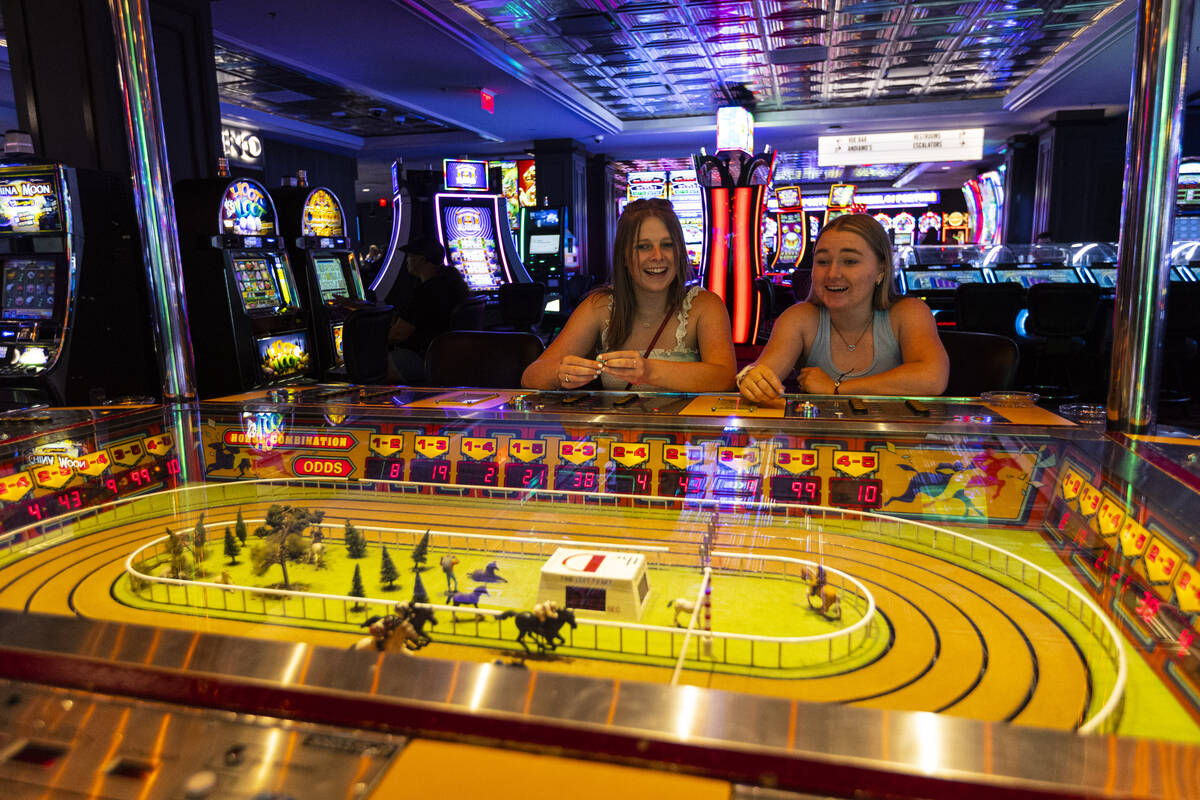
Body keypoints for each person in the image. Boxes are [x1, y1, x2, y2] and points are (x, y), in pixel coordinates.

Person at [521, 198, 736, 392]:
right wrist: (560, 373)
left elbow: (725, 378)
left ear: (679, 251)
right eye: (643, 247)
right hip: (617, 435)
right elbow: (531, 376)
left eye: (667, 245)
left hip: (687, 435)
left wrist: (648, 371)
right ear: (624, 255)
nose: (658, 256)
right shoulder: (600, 306)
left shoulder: (705, 305)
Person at [736, 213, 948, 402]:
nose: (833, 273)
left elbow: (933, 378)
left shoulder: (908, 312)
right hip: (822, 440)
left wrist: (837, 388)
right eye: (822, 261)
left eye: (850, 261)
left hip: (896, 439)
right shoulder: (799, 318)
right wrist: (752, 379)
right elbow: (763, 372)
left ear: (881, 269)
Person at [387, 236, 469, 384]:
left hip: (423, 360)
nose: (407, 260)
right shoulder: (449, 285)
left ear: (421, 259)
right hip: (448, 360)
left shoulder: (426, 292)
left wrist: (371, 336)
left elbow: (398, 335)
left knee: (367, 360)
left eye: (410, 256)